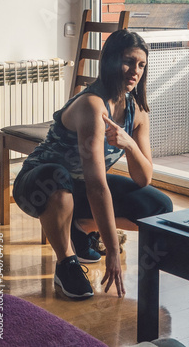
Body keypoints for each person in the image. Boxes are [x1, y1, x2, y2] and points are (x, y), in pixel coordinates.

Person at [13, 29, 173, 299]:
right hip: (39, 185)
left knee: (160, 207)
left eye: (141, 65)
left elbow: (143, 178)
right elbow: (98, 186)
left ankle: (81, 227)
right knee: (59, 176)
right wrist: (111, 248)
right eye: (128, 61)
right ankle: (66, 264)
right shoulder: (91, 105)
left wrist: (130, 144)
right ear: (110, 60)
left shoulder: (138, 112)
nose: (135, 70)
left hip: (79, 187)